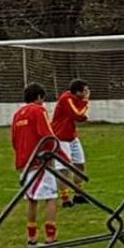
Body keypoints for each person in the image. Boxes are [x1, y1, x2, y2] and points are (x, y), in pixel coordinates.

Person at [11, 83, 58, 245]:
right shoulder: (38, 111)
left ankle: (31, 236)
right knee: (51, 196)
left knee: (31, 198)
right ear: (39, 97)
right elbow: (47, 135)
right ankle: (51, 236)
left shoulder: (18, 114)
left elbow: (14, 140)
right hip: (40, 161)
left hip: (24, 161)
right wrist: (54, 155)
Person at [52, 79, 90, 208]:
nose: (87, 93)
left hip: (72, 136)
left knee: (80, 165)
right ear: (77, 92)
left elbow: (80, 116)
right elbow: (78, 114)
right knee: (64, 169)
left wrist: (82, 114)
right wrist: (85, 102)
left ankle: (79, 195)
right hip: (60, 137)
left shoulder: (75, 99)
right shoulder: (66, 98)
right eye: (85, 91)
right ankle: (65, 199)